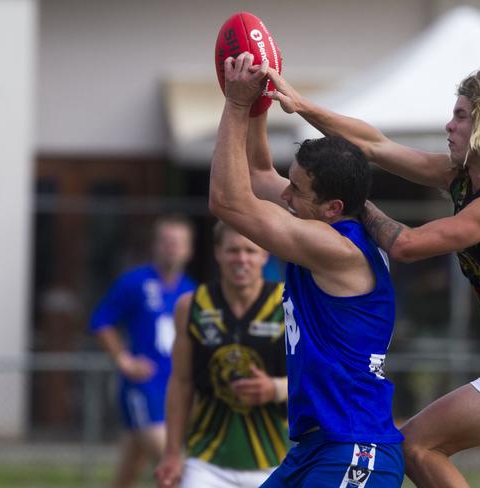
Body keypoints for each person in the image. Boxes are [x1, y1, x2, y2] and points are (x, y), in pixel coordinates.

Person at [264, 66, 480, 488]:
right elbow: (373, 144)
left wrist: (354, 202)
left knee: (415, 445)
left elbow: (405, 245)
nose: (450, 123)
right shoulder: (463, 178)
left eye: (462, 115)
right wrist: (301, 105)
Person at [208, 52, 405, 487]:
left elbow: (227, 200)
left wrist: (237, 106)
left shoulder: (336, 248)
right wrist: (259, 98)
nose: (285, 196)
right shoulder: (322, 222)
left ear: (333, 208)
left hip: (354, 448)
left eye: (295, 190)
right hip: (319, 448)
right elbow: (259, 172)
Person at [155, 220, 289, 488]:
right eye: (232, 250)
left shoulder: (289, 305)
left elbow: (316, 377)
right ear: (217, 252)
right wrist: (171, 453)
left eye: (250, 251)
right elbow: (181, 382)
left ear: (265, 255)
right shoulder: (191, 306)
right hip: (206, 461)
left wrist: (274, 388)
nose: (242, 259)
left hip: (276, 460)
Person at [90, 215, 196, 488]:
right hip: (143, 387)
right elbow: (101, 322)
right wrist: (123, 360)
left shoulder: (191, 290)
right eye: (166, 241)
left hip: (174, 388)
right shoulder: (135, 282)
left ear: (189, 249)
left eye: (178, 242)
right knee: (171, 464)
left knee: (130, 468)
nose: (172, 248)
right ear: (155, 245)